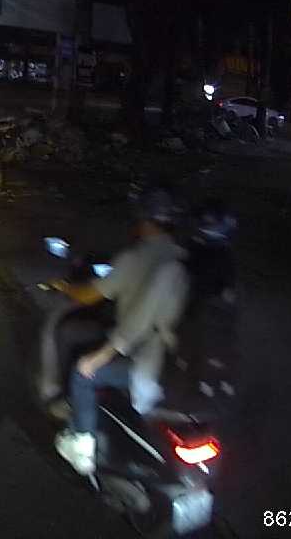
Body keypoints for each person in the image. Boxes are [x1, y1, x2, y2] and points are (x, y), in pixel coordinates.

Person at [52, 188, 191, 476]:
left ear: (145, 222)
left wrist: (64, 287)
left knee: (83, 372)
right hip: (177, 360)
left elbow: (122, 317)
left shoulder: (135, 258)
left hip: (148, 363)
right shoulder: (183, 258)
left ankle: (82, 445)